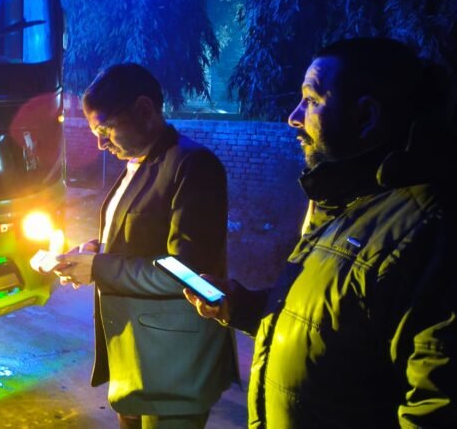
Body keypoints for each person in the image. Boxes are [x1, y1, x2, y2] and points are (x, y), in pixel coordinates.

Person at [184, 37, 457, 428]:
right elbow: (337, 331)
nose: (293, 117)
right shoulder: (343, 206)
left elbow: (435, 409)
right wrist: (241, 306)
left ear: (366, 116)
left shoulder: (428, 235)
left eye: (311, 100)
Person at [56, 63, 238, 429]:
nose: (100, 143)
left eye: (105, 129)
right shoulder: (138, 162)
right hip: (135, 358)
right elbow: (139, 237)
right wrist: (95, 250)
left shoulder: (192, 165)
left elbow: (187, 271)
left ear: (144, 110)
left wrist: (99, 268)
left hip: (175, 367)